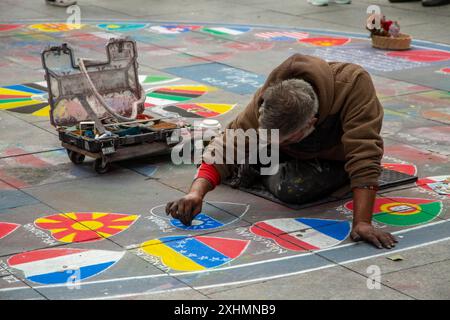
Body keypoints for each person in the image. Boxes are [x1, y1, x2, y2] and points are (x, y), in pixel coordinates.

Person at [166, 54, 398, 250]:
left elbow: (364, 152)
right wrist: (195, 194)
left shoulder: (354, 85)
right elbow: (230, 141)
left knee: (293, 187)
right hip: (285, 151)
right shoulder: (270, 94)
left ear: (311, 124)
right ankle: (258, 162)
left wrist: (363, 222)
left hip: (332, 156)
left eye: (285, 138)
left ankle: (256, 166)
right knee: (217, 153)